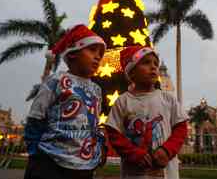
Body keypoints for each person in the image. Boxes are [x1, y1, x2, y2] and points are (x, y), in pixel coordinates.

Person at [23, 24, 107, 179]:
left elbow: (94, 124)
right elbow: (36, 116)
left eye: (100, 54)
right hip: (50, 163)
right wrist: (35, 153)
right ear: (73, 54)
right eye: (92, 50)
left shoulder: (97, 90)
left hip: (84, 167)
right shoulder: (56, 80)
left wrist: (99, 149)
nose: (97, 57)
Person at [105, 45, 188, 179]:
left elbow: (181, 128)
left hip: (166, 173)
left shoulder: (168, 99)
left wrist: (167, 151)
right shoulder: (123, 101)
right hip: (133, 173)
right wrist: (134, 154)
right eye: (146, 62)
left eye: (155, 63)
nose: (153, 67)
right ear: (131, 72)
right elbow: (114, 133)